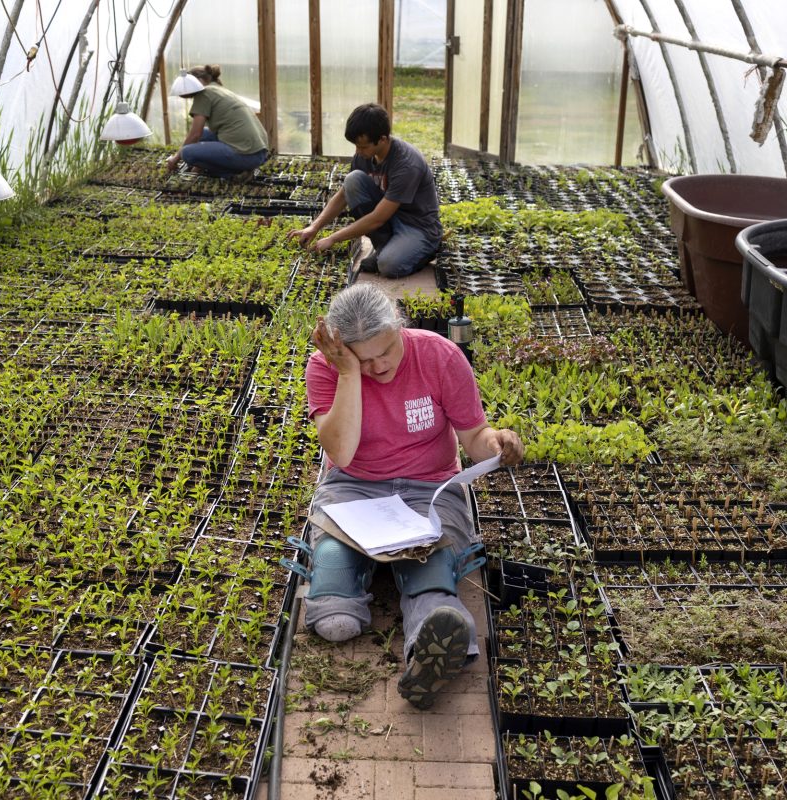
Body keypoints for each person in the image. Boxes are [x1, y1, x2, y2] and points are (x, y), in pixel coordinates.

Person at [301, 284, 524, 709]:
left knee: (433, 561)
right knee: (334, 614)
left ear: (400, 328)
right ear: (342, 351)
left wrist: (497, 441)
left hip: (429, 487)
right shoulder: (326, 368)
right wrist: (348, 374)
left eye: (385, 351)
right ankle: (344, 587)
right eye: (362, 358)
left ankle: (433, 638)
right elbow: (341, 453)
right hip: (354, 486)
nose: (378, 365)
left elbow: (473, 437)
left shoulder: (439, 356)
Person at [288, 103, 441, 278]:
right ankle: (386, 247)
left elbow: (377, 219)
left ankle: (423, 251)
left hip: (417, 226)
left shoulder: (406, 164)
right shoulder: (365, 155)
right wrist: (314, 227)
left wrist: (333, 238)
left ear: (382, 139)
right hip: (391, 217)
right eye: (356, 146)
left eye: (363, 146)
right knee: (352, 180)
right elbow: (343, 195)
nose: (358, 152)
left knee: (388, 266)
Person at [165, 64, 270, 178]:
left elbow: (195, 134)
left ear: (199, 81)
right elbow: (199, 134)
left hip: (246, 155)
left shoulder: (204, 93)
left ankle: (234, 174)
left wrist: (175, 159)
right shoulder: (218, 89)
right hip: (259, 152)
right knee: (205, 134)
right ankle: (216, 167)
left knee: (186, 153)